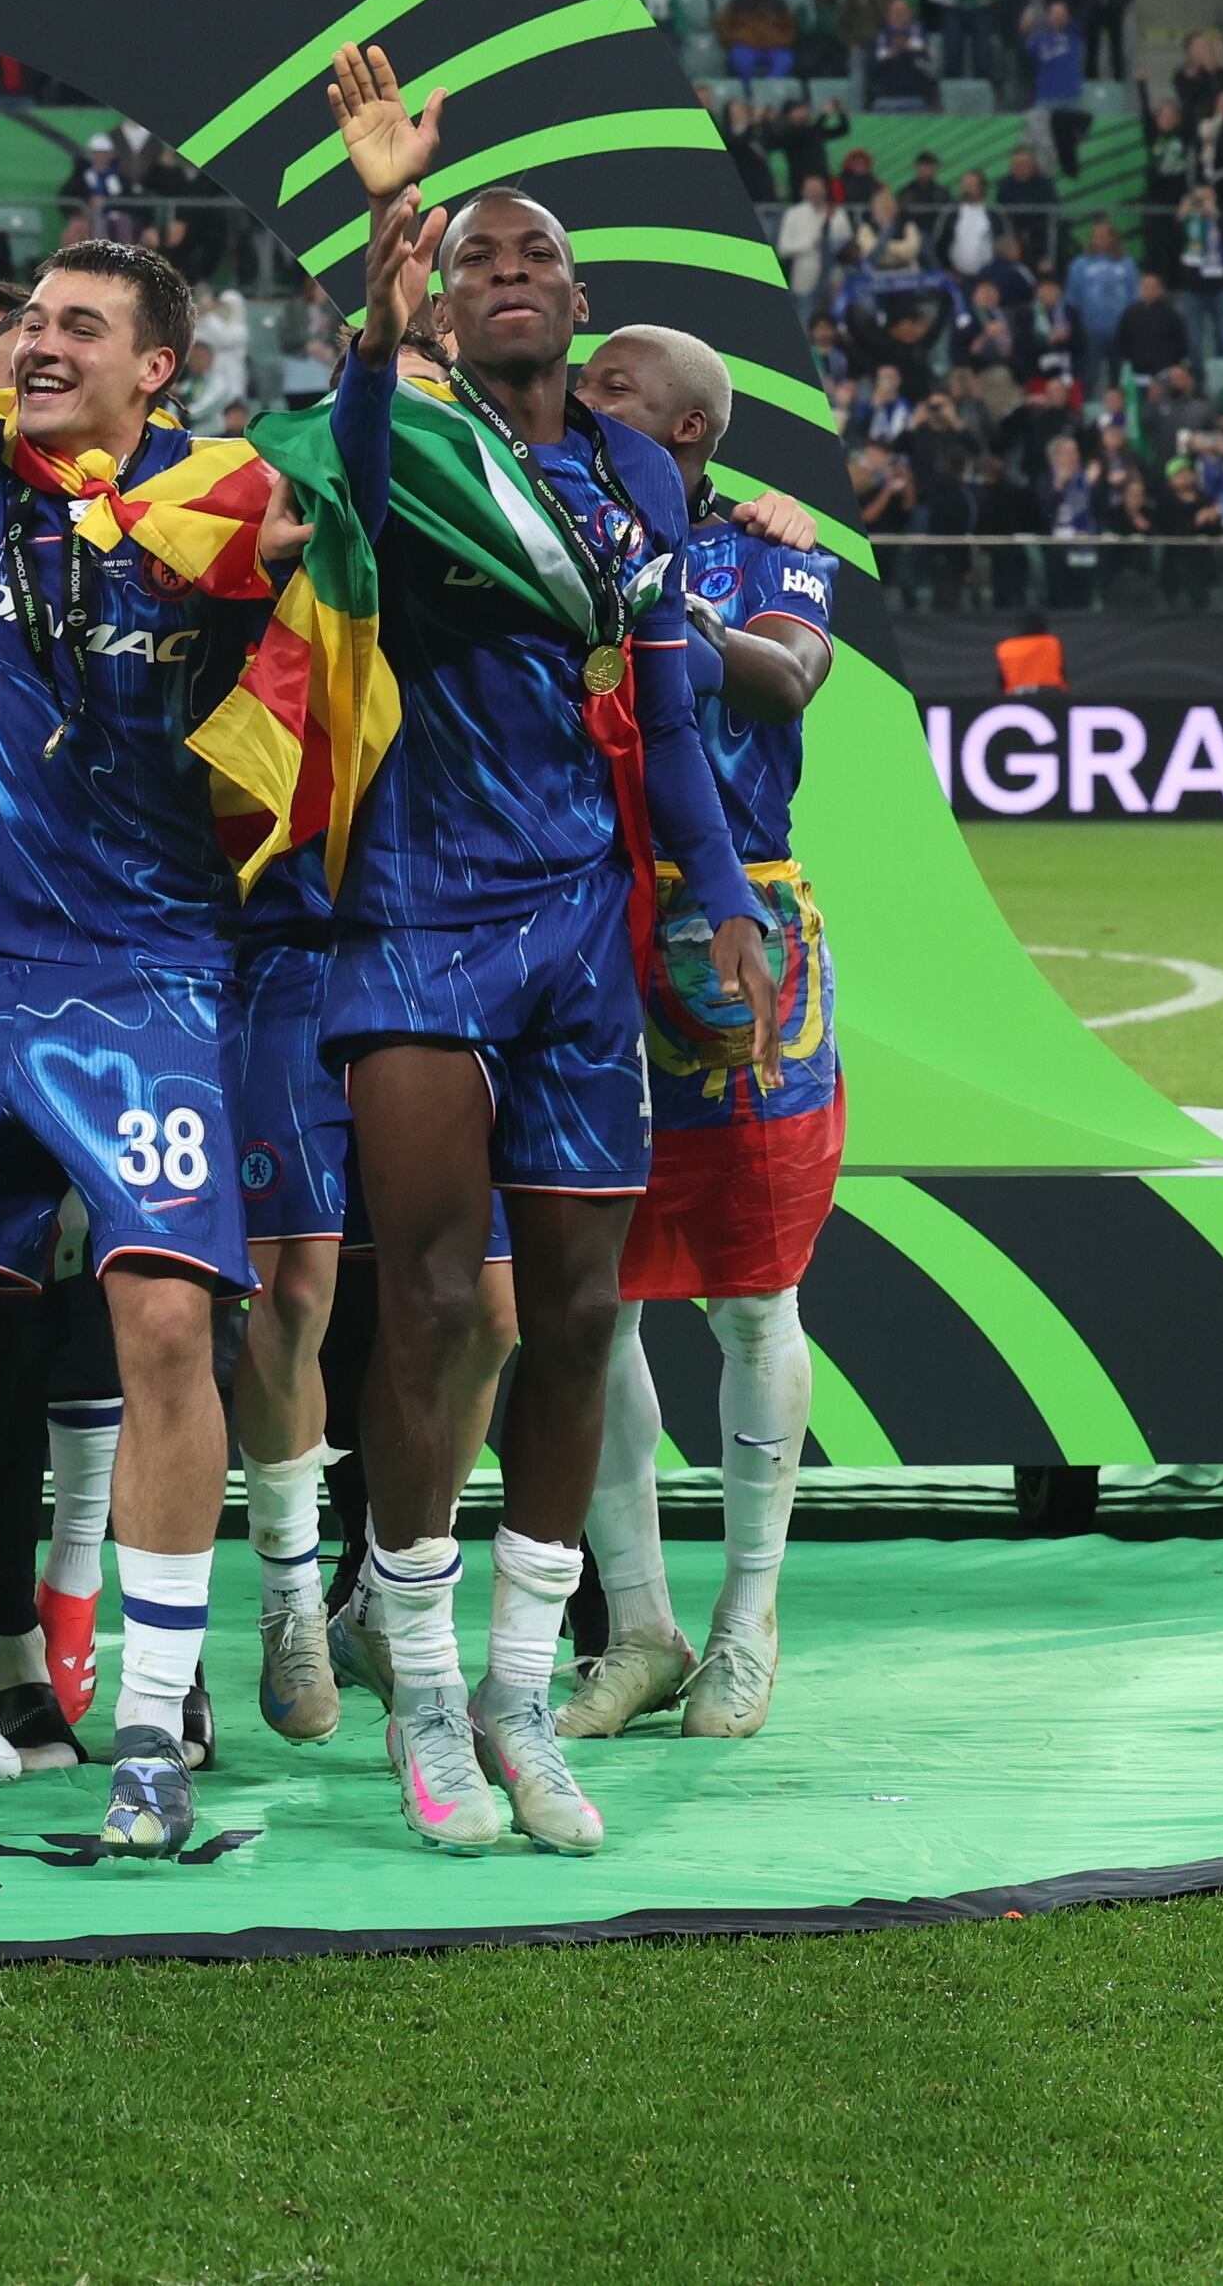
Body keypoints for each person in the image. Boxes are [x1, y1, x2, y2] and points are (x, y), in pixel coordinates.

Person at [0, 42, 443, 1859]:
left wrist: (377, 284)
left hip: (143, 983)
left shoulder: (221, 506)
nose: (35, 341)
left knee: (161, 1326)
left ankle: (148, 1728)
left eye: (77, 323)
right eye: (28, 317)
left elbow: (346, 508)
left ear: (163, 363)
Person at [323, 186, 771, 1859]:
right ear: (441, 304)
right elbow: (352, 497)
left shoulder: (631, 479)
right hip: (416, 912)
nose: (508, 275)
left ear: (581, 304)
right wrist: (373, 331)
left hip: (582, 930)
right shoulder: (411, 433)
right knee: (434, 1299)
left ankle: (525, 1686)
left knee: (581, 1310)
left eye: (535, 258)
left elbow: (663, 710)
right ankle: (427, 1693)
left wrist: (716, 893)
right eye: (475, 260)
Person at [558, 329, 841, 1743]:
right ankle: (643, 1622)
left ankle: (749, 1616)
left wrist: (655, 589)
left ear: (683, 429)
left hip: (740, 948)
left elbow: (787, 680)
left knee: (750, 1288)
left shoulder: (770, 552)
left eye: (608, 388)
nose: (578, 396)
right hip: (579, 927)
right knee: (589, 1280)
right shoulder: (533, 514)